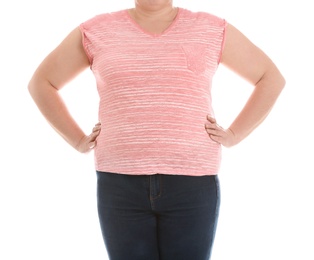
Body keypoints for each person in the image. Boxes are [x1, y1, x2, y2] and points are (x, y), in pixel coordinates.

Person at [28, 0, 285, 259]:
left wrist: (234, 134)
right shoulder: (96, 30)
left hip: (192, 182)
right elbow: (42, 83)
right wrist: (77, 140)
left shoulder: (210, 28)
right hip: (119, 183)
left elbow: (270, 77)